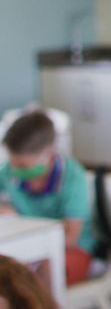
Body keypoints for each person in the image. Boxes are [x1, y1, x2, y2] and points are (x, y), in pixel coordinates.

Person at [0, 111, 97, 287]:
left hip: (70, 251)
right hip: (27, 248)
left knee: (37, 274)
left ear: (48, 153)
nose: (14, 168)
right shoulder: (8, 172)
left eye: (22, 165)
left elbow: (70, 237)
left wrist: (27, 251)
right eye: (12, 161)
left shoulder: (72, 177)